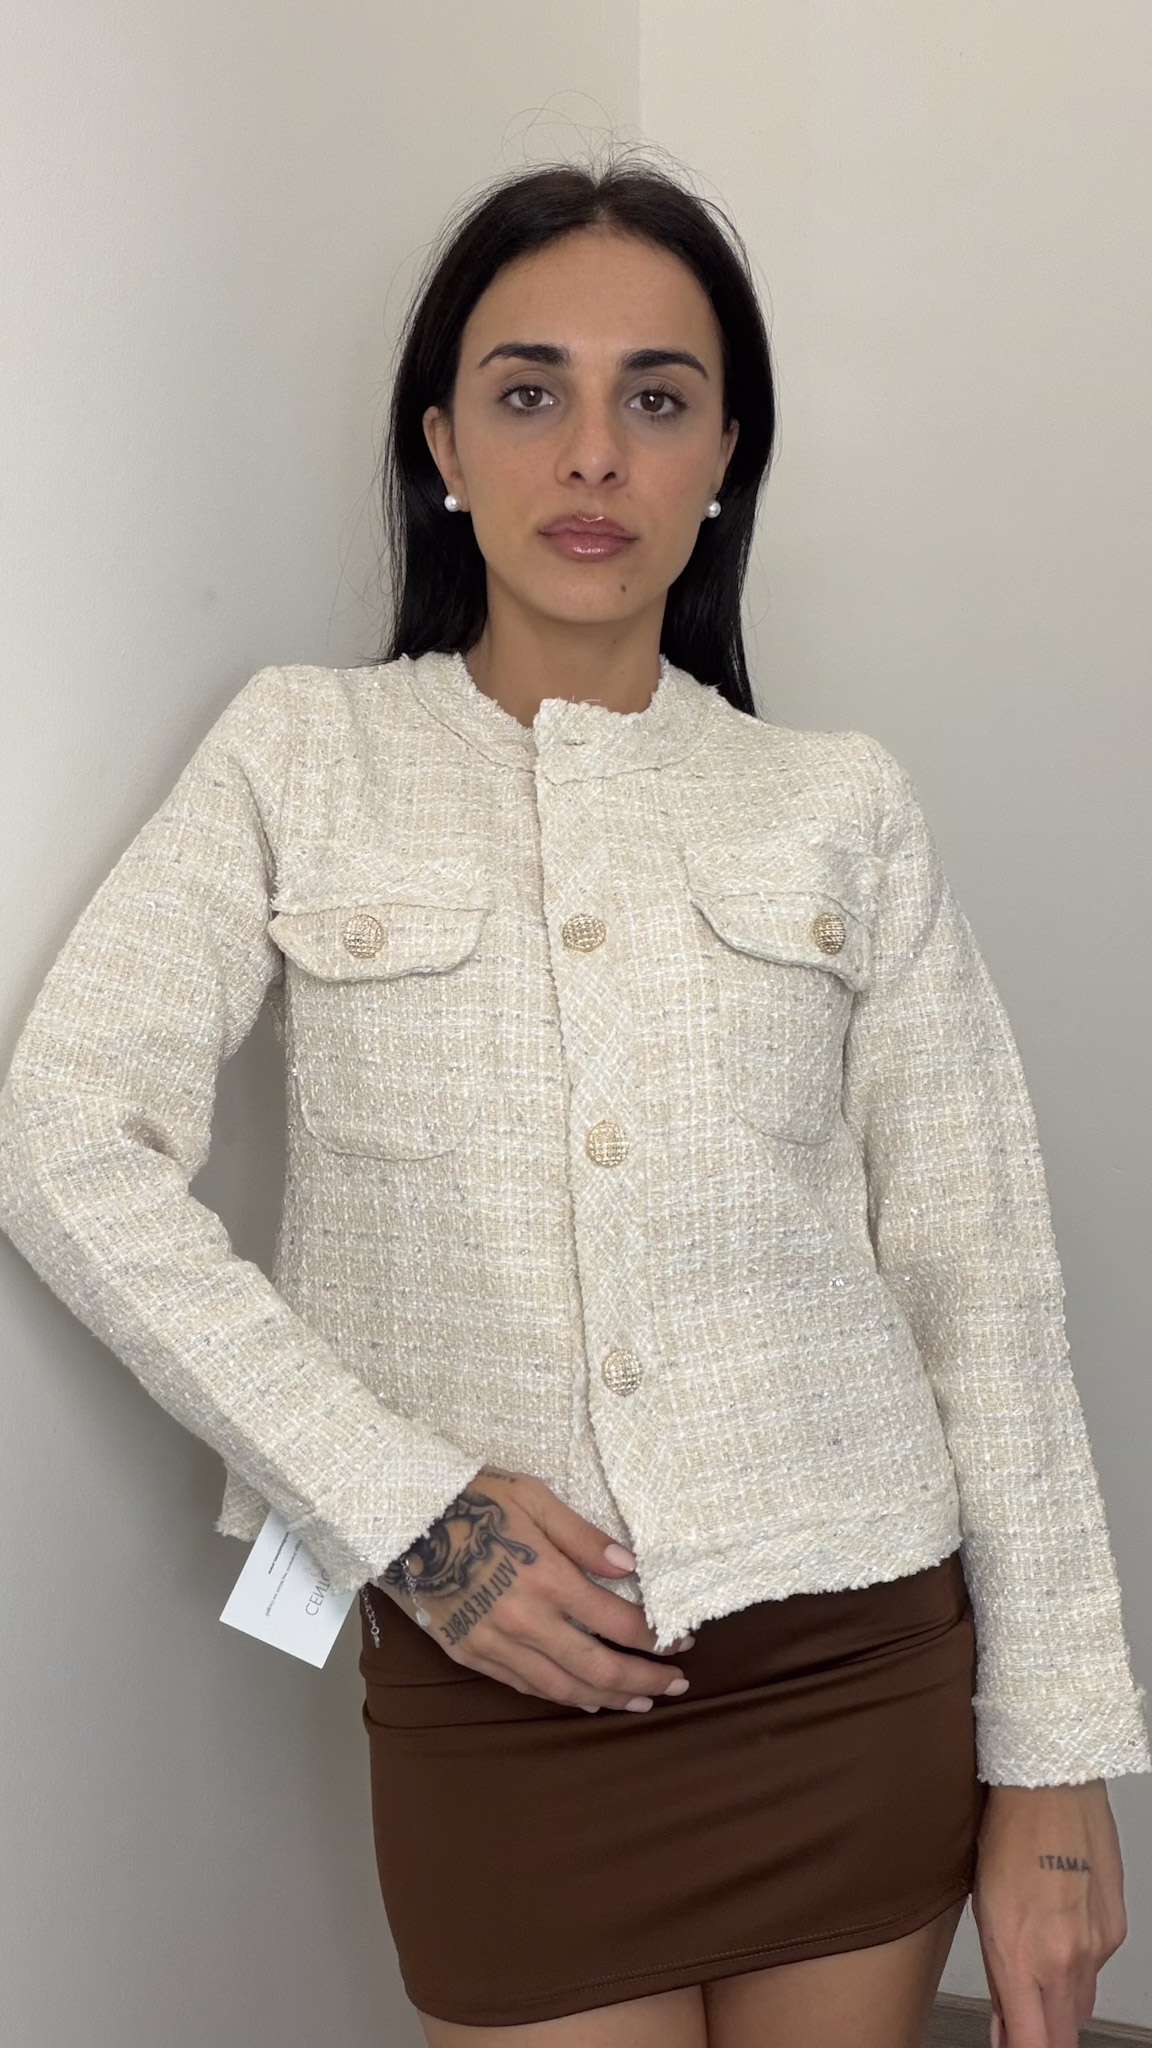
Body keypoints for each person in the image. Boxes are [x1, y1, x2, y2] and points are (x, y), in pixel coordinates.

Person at [0, 153, 1147, 2048]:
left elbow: (984, 1285)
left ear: (725, 459)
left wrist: (1054, 1758)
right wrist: (404, 1511)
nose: (595, 453)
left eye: (659, 399)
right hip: (501, 1685)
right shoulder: (302, 755)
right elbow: (64, 1138)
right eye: (530, 392)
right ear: (444, 444)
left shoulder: (838, 802)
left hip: (855, 1669)